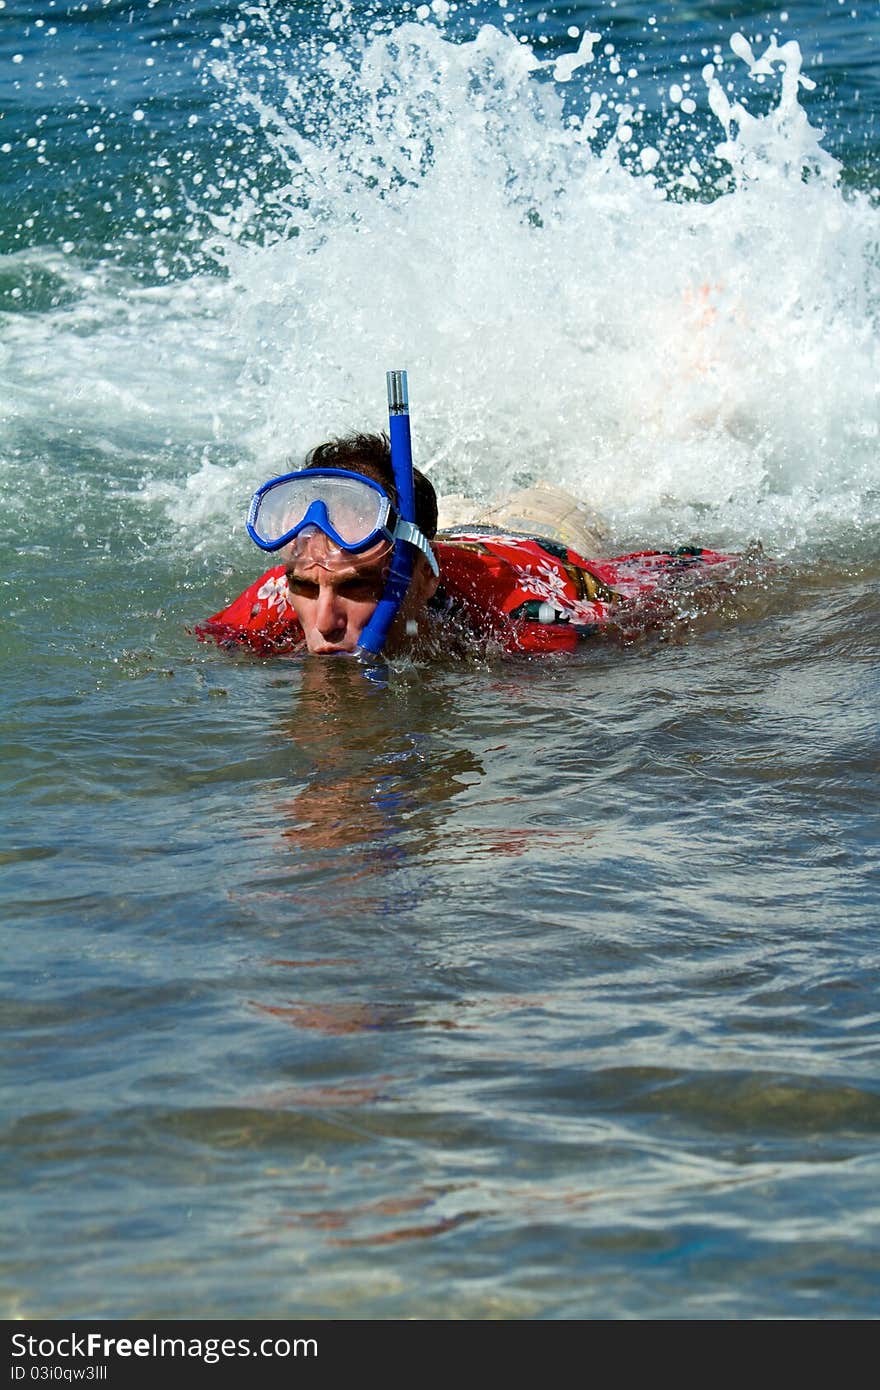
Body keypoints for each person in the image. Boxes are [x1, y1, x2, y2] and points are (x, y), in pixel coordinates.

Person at [197, 431, 738, 659]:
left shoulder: (528, 619)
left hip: (537, 536)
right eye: (306, 587)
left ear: (424, 580)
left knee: (635, 484)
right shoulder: (287, 588)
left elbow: (667, 588)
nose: (326, 621)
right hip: (441, 531)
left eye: (359, 588)